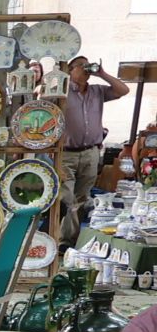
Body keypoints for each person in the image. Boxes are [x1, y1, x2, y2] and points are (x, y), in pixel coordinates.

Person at [61, 56, 128, 243]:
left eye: (87, 65)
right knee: (66, 198)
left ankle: (70, 240)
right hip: (66, 153)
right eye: (80, 66)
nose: (85, 69)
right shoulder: (62, 93)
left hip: (90, 152)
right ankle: (60, 238)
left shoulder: (97, 91)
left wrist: (103, 74)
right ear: (70, 70)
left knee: (82, 198)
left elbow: (124, 90)